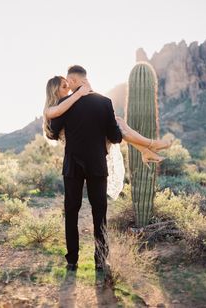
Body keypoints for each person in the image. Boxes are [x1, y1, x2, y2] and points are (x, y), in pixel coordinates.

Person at [42, 65, 172, 271]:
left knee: (72, 212)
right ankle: (101, 260)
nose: (67, 86)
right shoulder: (104, 102)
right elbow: (114, 137)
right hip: (97, 165)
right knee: (99, 213)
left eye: (68, 81)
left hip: (72, 166)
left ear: (74, 81)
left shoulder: (63, 104)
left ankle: (72, 261)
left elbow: (54, 130)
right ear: (85, 79)